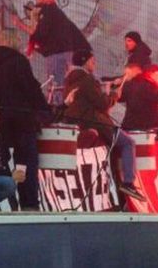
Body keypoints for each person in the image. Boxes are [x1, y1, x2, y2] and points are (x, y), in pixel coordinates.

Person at [63, 48, 146, 203]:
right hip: (95, 122)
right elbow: (101, 104)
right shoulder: (87, 80)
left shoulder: (69, 81)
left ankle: (118, 192)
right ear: (85, 61)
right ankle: (128, 183)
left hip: (79, 125)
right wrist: (114, 96)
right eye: (93, 61)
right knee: (128, 143)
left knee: (115, 151)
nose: (94, 64)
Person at [0, 44, 49, 210]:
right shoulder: (18, 61)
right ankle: (29, 203)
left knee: (1, 163)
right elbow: (32, 89)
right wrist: (45, 112)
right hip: (23, 122)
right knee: (26, 163)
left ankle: (6, 202)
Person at [18, 0, 92, 89]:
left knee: (56, 87)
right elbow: (44, 35)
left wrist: (20, 25)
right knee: (68, 86)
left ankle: (57, 104)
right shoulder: (55, 13)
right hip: (68, 53)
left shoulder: (48, 10)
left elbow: (40, 34)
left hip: (59, 54)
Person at [120, 63, 158, 132]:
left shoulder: (135, 84)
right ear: (151, 74)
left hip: (131, 127)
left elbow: (120, 98)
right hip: (141, 129)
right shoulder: (147, 87)